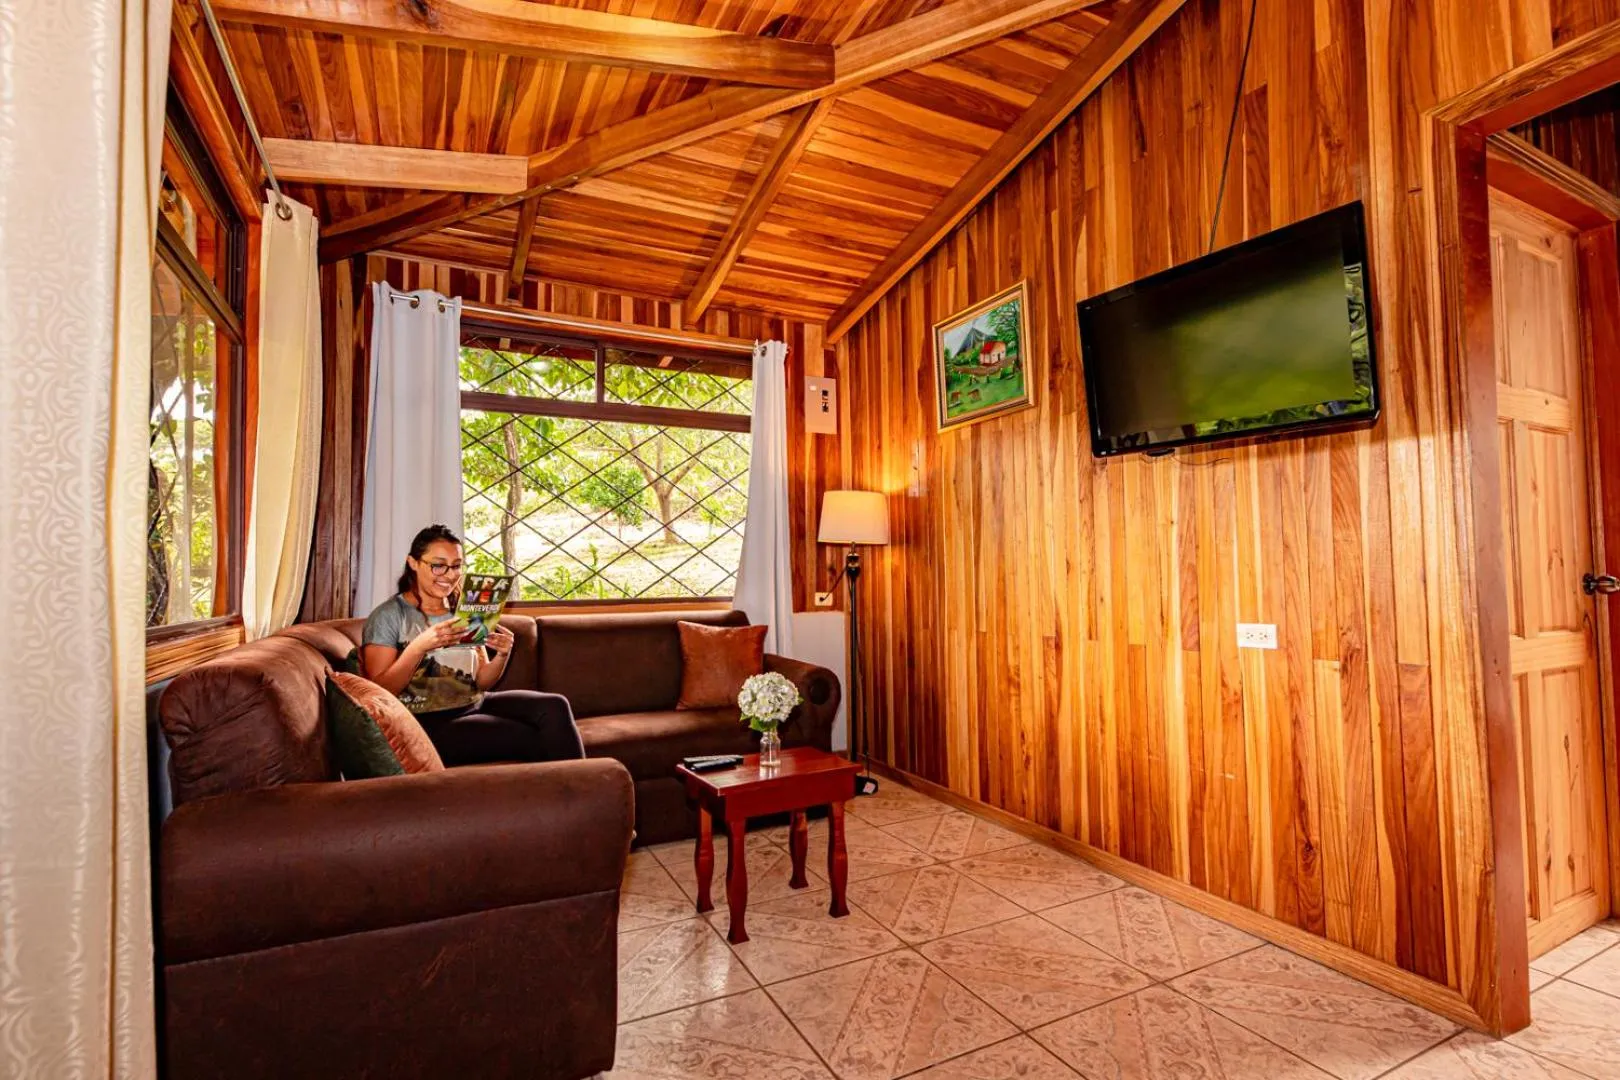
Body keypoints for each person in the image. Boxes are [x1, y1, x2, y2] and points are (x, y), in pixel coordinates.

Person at [359, 523, 584, 766]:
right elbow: (380, 691)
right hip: (427, 722)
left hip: (475, 703)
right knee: (530, 738)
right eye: (438, 565)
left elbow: (482, 681)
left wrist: (502, 654)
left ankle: (586, 784)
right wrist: (418, 647)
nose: (449, 575)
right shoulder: (388, 616)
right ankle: (576, 788)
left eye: (456, 566)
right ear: (413, 563)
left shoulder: (465, 609)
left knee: (554, 706)